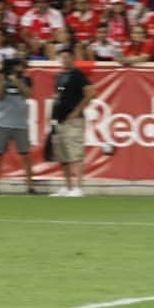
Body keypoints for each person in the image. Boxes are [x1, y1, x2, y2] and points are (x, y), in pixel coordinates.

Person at [49, 45, 94, 197]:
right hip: (60, 119)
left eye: (67, 57)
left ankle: (79, 187)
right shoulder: (59, 76)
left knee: (76, 153)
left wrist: (77, 111)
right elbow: (57, 97)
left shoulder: (78, 75)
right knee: (63, 155)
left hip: (74, 120)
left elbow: (90, 92)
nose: (65, 60)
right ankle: (67, 186)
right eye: (63, 57)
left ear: (73, 59)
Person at [0, 55, 36, 194]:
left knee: (25, 155)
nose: (20, 68)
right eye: (17, 66)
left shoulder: (26, 79)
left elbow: (28, 94)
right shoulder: (0, 79)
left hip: (20, 124)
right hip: (3, 123)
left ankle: (30, 186)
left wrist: (17, 81)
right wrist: (3, 80)